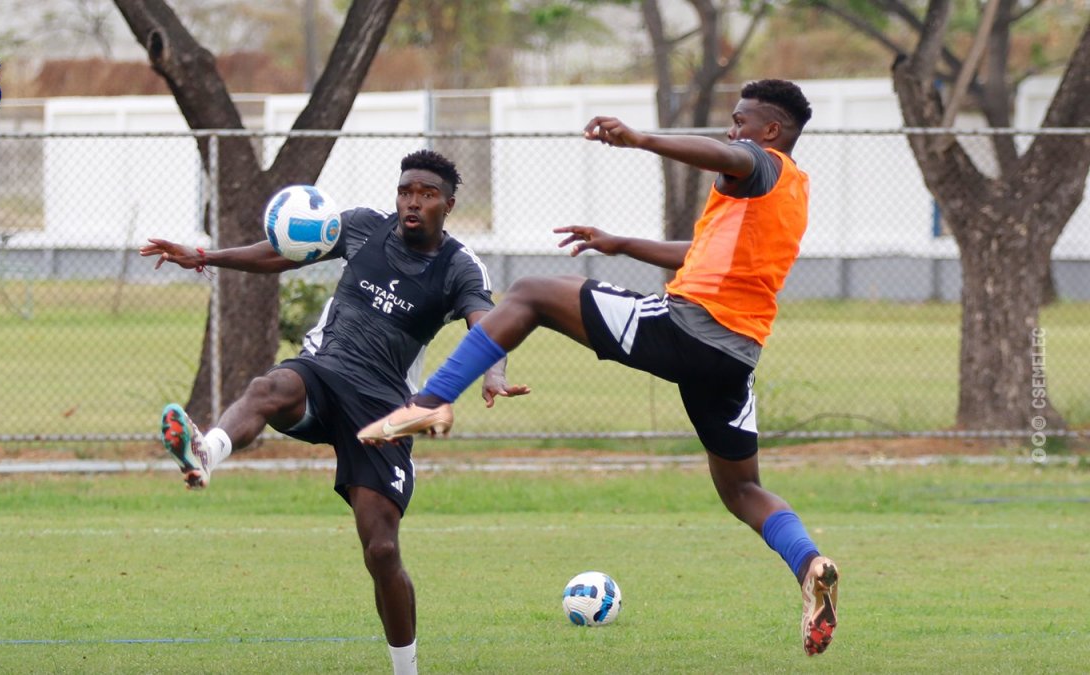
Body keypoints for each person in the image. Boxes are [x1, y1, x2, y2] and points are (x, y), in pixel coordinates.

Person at [358, 80, 840, 657]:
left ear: (770, 131)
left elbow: (729, 155)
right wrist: (620, 244)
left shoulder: (760, 162)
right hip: (734, 356)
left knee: (533, 292)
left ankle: (431, 400)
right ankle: (810, 565)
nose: (732, 131)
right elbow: (699, 255)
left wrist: (640, 139)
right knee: (742, 489)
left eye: (741, 121)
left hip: (688, 327)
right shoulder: (790, 196)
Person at [140, 149, 528, 675]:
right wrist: (205, 257)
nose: (413, 201)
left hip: (383, 408)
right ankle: (205, 452)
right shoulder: (366, 228)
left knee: (382, 551)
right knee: (268, 386)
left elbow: (488, 325)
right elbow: (283, 252)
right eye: (406, 190)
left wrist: (494, 372)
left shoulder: (458, 266)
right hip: (322, 373)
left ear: (449, 204)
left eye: (427, 194)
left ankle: (406, 670)